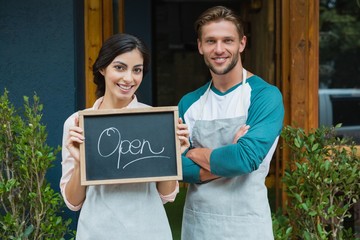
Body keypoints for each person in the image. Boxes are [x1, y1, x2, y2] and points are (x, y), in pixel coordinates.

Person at [60, 33, 190, 239]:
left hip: (149, 230)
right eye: (120, 67)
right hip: (97, 232)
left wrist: (173, 156)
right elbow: (73, 202)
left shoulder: (155, 121)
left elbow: (166, 195)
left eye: (137, 70)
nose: (129, 78)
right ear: (103, 68)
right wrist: (79, 163)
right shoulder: (77, 124)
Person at [178, 6, 284, 240]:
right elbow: (176, 168)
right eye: (210, 41)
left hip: (247, 227)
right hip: (199, 226)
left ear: (242, 44)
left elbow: (245, 159)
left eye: (227, 40)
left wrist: (193, 153)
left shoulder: (265, 96)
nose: (219, 49)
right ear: (200, 46)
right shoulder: (189, 103)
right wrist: (231, 157)